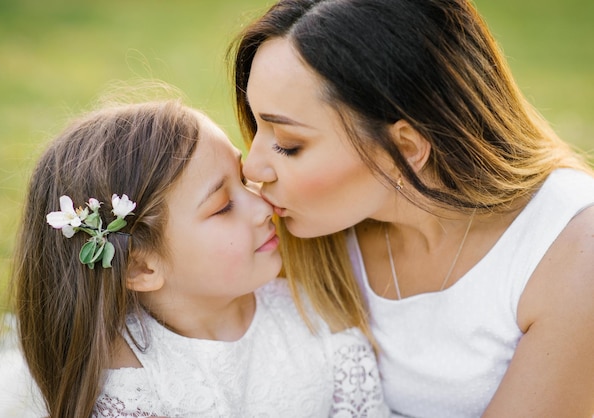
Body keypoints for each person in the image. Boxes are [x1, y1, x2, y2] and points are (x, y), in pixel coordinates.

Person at [228, 0, 594, 416]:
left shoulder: (572, 250)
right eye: (257, 126)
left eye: (289, 145)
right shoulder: (299, 231)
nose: (252, 166)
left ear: (405, 148)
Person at [12, 96, 389, 418]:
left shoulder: (314, 313)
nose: (263, 207)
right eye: (224, 206)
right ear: (142, 266)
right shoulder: (131, 383)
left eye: (243, 179)